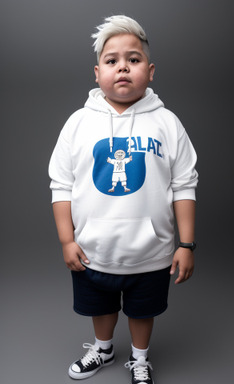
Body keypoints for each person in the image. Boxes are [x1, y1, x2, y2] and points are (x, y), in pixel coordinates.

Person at [49, 15, 198, 384]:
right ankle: (102, 347)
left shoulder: (167, 123)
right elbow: (61, 185)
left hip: (151, 250)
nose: (123, 68)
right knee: (98, 306)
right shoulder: (78, 123)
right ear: (97, 72)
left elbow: (184, 184)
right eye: (112, 61)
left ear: (150, 71)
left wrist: (186, 243)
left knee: (142, 310)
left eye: (132, 60)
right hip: (92, 247)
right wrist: (67, 239)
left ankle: (140, 357)